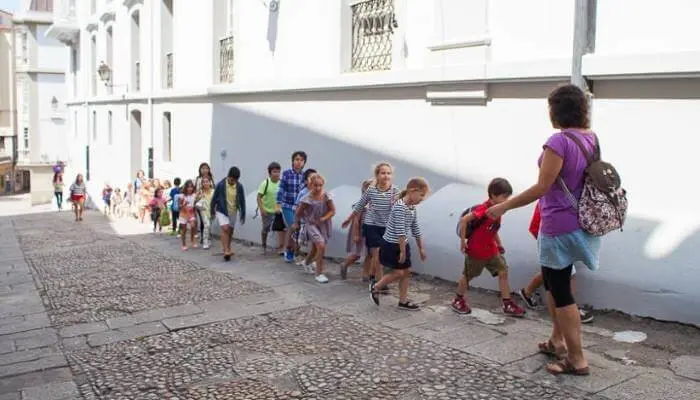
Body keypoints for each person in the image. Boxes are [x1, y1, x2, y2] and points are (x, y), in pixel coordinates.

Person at [486, 84, 601, 376]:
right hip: (581, 222)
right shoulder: (591, 138)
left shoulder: (558, 142)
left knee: (560, 290)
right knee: (554, 283)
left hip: (558, 225)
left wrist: (504, 206)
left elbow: (542, 186)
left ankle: (576, 358)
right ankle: (556, 340)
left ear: (556, 110)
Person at [451, 178, 526, 317]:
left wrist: (499, 243)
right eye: (504, 197)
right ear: (493, 195)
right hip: (476, 250)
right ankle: (458, 299)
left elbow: (493, 229)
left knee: (503, 272)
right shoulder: (484, 209)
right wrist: (463, 242)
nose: (506, 200)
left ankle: (507, 303)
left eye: (507, 197)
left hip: (491, 249)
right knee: (468, 276)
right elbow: (464, 220)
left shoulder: (499, 210)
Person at [519, 202, 594, 323]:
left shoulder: (551, 196)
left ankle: (527, 292)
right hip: (552, 237)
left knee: (551, 271)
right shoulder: (555, 198)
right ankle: (570, 309)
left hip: (552, 237)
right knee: (567, 274)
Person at [369, 177, 429, 310]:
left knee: (406, 272)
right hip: (391, 245)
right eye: (421, 195)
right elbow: (400, 231)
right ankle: (376, 287)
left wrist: (421, 248)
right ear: (413, 191)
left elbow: (415, 228)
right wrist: (402, 251)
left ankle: (403, 301)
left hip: (402, 244)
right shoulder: (400, 207)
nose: (422, 199)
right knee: (398, 273)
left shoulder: (412, 208)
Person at [344, 163, 399, 288]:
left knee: (378, 255)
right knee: (375, 254)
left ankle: (372, 276)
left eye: (388, 173)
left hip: (386, 227)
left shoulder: (395, 190)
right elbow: (359, 206)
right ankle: (379, 282)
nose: (386, 175)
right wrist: (349, 219)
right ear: (377, 175)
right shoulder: (371, 191)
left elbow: (399, 206)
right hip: (371, 227)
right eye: (383, 173)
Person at [292, 174, 336, 283]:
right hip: (311, 224)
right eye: (315, 185)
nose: (318, 188)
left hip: (323, 224)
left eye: (320, 185)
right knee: (321, 245)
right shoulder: (307, 199)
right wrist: (297, 223)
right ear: (310, 185)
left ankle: (306, 262)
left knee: (316, 248)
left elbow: (333, 211)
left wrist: (323, 219)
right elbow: (298, 212)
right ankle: (319, 273)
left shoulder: (326, 196)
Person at [339, 178, 374, 280]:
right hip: (360, 232)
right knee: (357, 254)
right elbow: (355, 220)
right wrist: (355, 234)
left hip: (370, 233)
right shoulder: (361, 204)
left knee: (370, 254)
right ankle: (345, 264)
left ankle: (365, 274)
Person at [277, 151, 307, 262]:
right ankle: (288, 249)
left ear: (304, 163)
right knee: (293, 226)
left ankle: (295, 251)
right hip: (287, 205)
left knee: (298, 229)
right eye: (297, 159)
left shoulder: (304, 176)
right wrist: (278, 203)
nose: (298, 162)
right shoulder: (286, 173)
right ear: (292, 161)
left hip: (299, 207)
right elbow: (281, 189)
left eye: (301, 160)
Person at [211, 166, 246, 261]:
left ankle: (228, 247)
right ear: (228, 176)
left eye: (235, 180)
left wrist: (243, 213)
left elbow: (242, 201)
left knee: (230, 231)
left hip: (233, 211)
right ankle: (226, 250)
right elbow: (214, 199)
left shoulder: (239, 186)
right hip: (222, 210)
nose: (233, 181)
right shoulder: (221, 185)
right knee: (225, 229)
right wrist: (212, 212)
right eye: (231, 179)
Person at [256, 162, 283, 254]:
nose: (277, 174)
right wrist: (262, 210)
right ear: (270, 173)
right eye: (274, 172)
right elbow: (259, 197)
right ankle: (263, 246)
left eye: (278, 172)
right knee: (265, 229)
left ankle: (281, 247)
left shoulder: (281, 183)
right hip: (267, 211)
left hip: (278, 211)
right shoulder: (265, 183)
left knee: (281, 229)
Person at [195, 163, 214, 244]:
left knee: (208, 220)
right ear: (200, 170)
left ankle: (207, 236)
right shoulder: (198, 179)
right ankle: (203, 237)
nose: (205, 170)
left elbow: (213, 188)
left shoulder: (211, 178)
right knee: (204, 221)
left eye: (206, 168)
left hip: (209, 202)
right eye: (203, 168)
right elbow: (196, 190)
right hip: (201, 202)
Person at [178, 180, 198, 250]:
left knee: (193, 226)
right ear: (185, 187)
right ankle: (183, 244)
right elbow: (179, 207)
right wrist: (183, 204)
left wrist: (195, 212)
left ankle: (192, 240)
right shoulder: (182, 196)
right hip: (183, 214)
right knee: (184, 229)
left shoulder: (194, 195)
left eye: (191, 187)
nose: (190, 188)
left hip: (191, 213)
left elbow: (195, 205)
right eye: (188, 187)